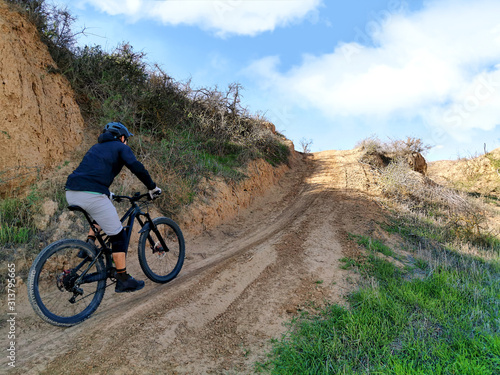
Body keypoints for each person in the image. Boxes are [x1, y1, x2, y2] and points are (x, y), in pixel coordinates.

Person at [65, 122, 161, 293]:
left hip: (72, 191)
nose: (126, 142)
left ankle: (89, 245)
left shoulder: (96, 148)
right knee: (119, 236)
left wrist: (108, 194)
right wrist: (152, 187)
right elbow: (137, 167)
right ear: (122, 137)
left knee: (102, 212)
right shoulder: (120, 146)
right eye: (126, 139)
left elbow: (92, 173)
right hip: (91, 193)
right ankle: (123, 278)